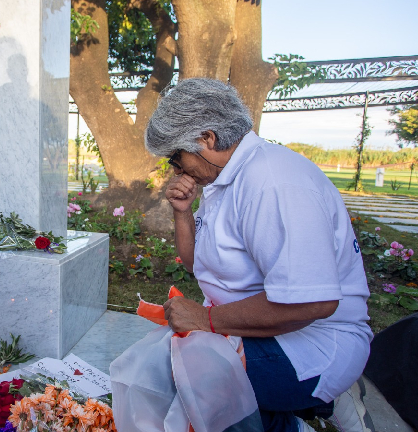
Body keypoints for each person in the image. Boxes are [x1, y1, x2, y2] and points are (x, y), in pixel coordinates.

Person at [145, 78, 374, 432]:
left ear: (207, 139)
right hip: (262, 328)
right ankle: (302, 405)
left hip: (315, 338)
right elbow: (197, 264)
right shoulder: (225, 177)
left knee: (197, 384)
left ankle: (307, 408)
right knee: (168, 367)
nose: (176, 170)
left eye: (176, 158)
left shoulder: (273, 182)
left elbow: (311, 302)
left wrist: (207, 320)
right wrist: (182, 213)